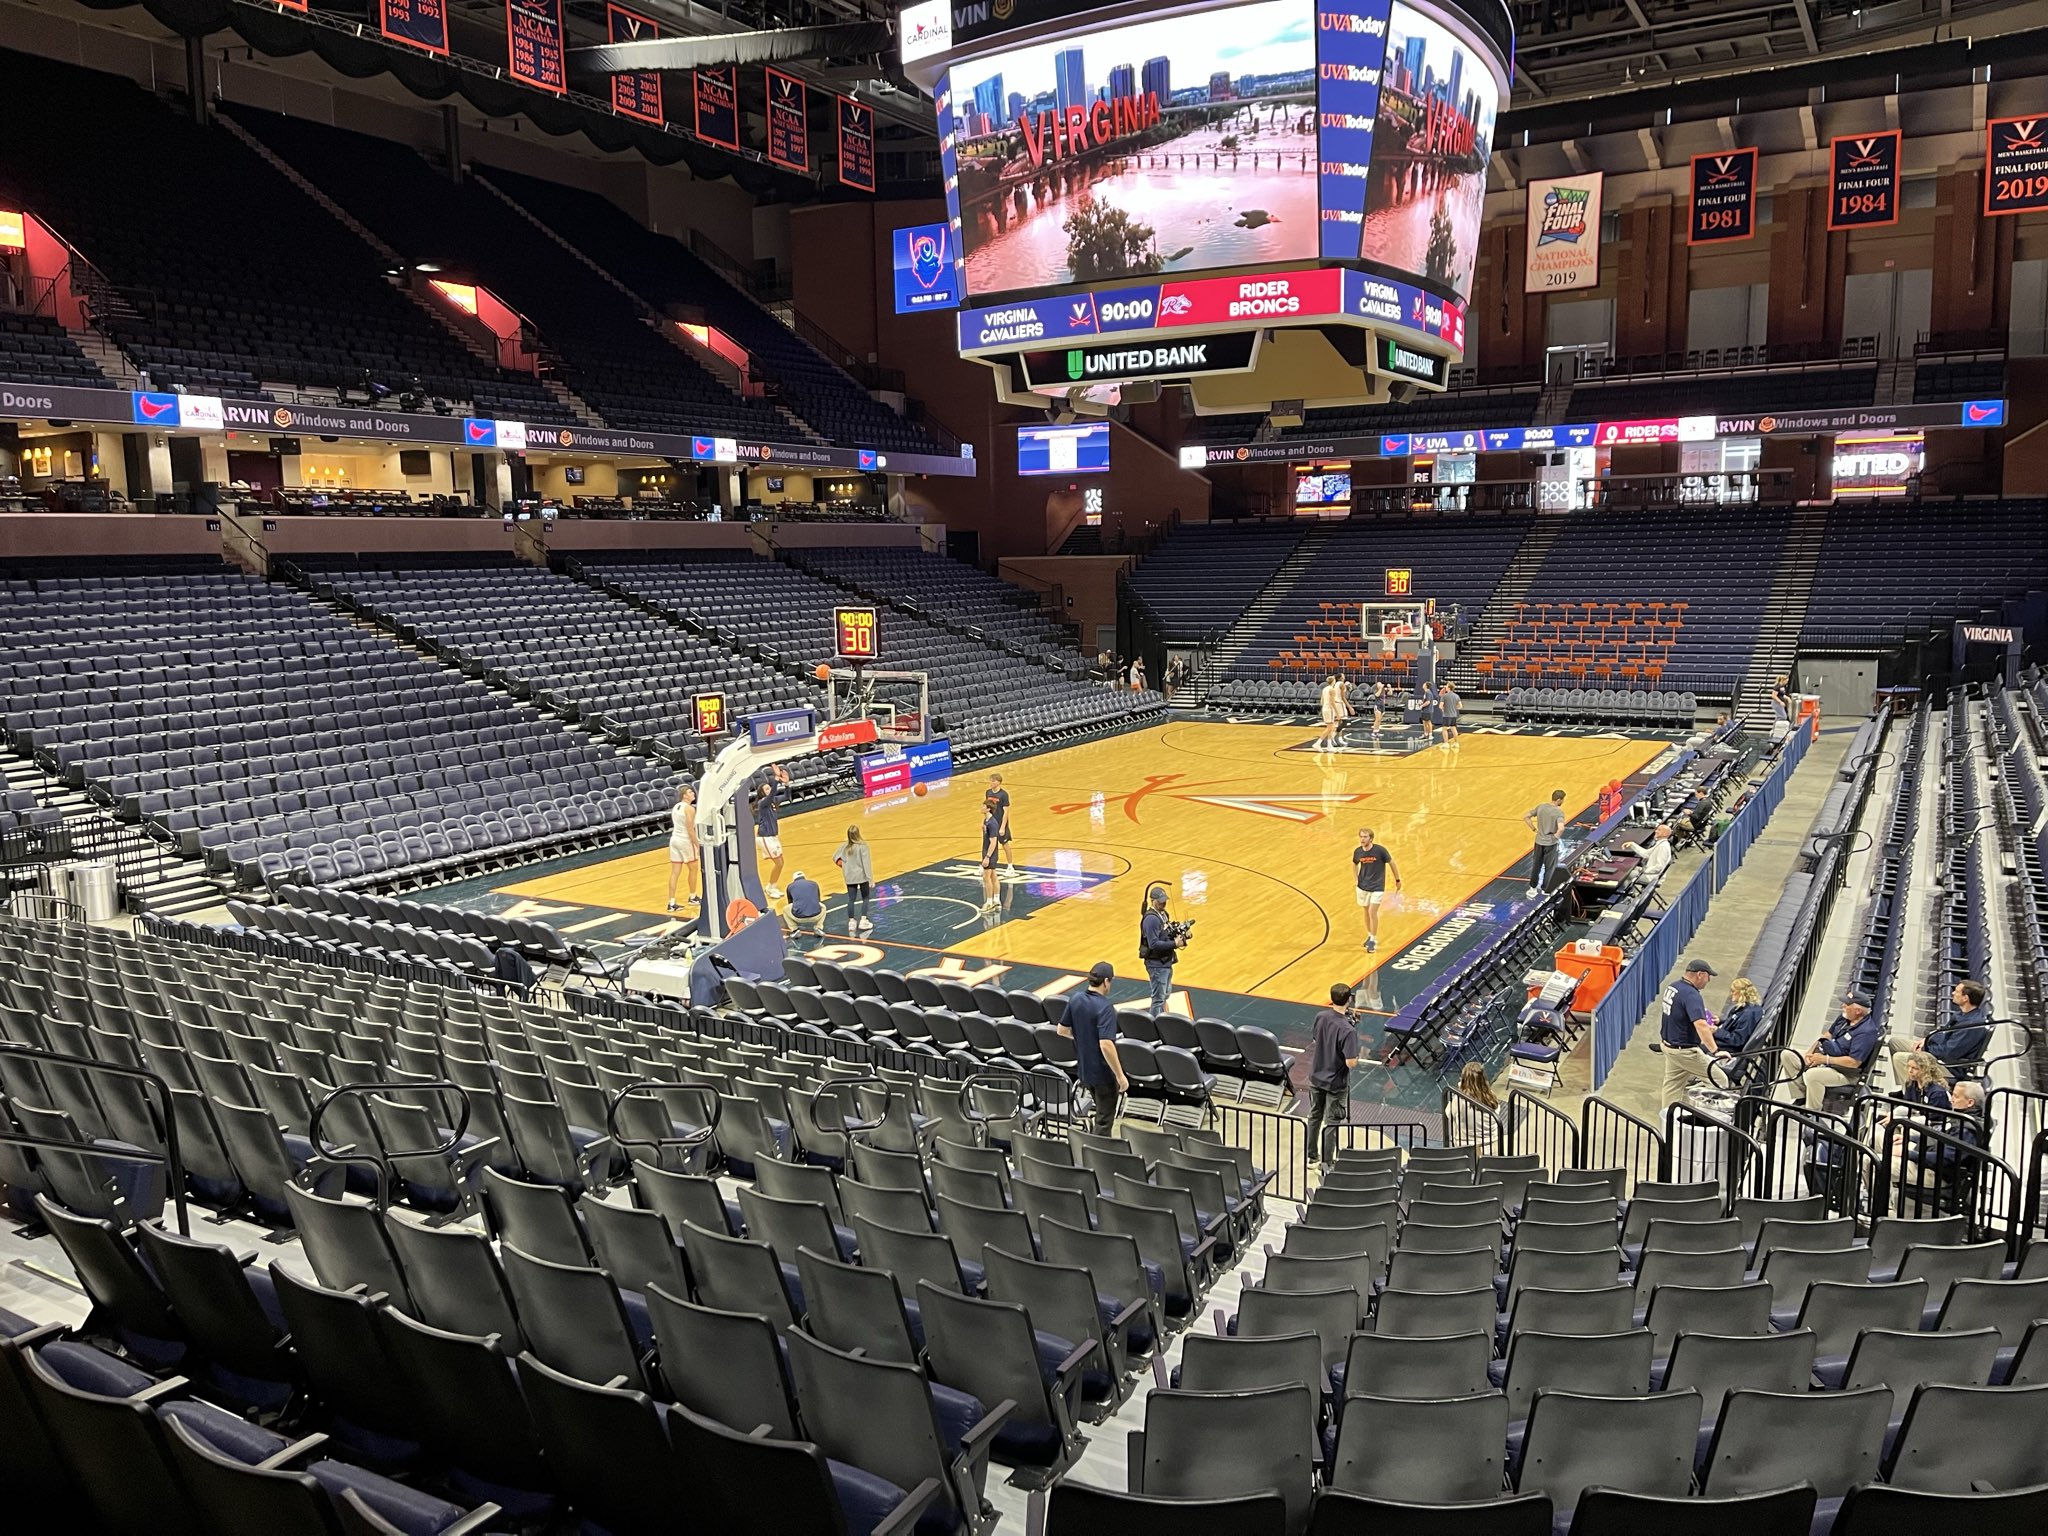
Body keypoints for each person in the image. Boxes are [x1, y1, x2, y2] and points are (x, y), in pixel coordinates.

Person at [1778, 994, 1881, 1110]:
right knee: (1788, 1055)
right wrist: (1810, 1052)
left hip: (1846, 1072)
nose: (1843, 1006)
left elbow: (1854, 1062)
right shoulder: (1844, 1018)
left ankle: (1812, 1111)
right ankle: (1802, 1096)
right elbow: (1828, 1035)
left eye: (1847, 1005)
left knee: (1813, 1075)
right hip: (1827, 1057)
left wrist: (1824, 1060)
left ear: (1858, 1010)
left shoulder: (1866, 1032)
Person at [1058, 961, 1128, 1130]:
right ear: (1106, 982)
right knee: (1103, 1122)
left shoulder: (1076, 999)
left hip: (1084, 1071)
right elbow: (1106, 1044)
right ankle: (1097, 1154)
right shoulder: (1105, 1008)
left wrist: (1083, 1036)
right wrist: (1120, 1076)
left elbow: (1061, 1030)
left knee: (1100, 1114)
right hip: (1103, 1075)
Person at [1303, 983, 1361, 1171]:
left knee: (1315, 1116)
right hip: (1335, 1082)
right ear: (1349, 999)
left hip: (1317, 1076)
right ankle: (1327, 1163)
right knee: (1332, 1122)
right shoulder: (1348, 1030)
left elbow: (1315, 1039)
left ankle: (1311, 1157)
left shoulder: (1321, 1017)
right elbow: (1350, 1062)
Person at [1890, 979, 1993, 1070]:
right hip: (1937, 1051)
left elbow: (1948, 1054)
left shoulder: (1971, 1026)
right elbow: (1943, 1033)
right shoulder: (1963, 1014)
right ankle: (1911, 1087)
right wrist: (1926, 1041)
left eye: (1956, 991)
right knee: (1895, 1043)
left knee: (1899, 1058)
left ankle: (1911, 1092)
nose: (1953, 993)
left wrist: (1924, 1049)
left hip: (1948, 1066)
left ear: (1965, 998)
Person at [1658, 958, 1721, 1108]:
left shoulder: (1673, 987)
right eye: (1708, 976)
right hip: (1685, 1051)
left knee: (1672, 1087)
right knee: (1720, 1081)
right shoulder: (1692, 995)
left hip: (1669, 1046)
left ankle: (1668, 1121)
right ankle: (1707, 1119)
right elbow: (1700, 1024)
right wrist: (1715, 1050)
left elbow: (1679, 1017)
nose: (1709, 980)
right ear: (1700, 974)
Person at [1351, 827, 1402, 953]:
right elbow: (1354, 863)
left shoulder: (1380, 851)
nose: (1362, 839)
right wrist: (1356, 879)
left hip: (1377, 886)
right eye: (1361, 836)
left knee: (1372, 911)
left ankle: (1373, 940)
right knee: (1366, 910)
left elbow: (1392, 863)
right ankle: (1369, 935)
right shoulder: (1358, 852)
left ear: (1371, 838)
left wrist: (1397, 880)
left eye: (1365, 837)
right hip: (1363, 886)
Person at [1138, 885, 1185, 1015]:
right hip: (1156, 964)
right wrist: (1174, 944)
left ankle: (1161, 1020)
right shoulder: (1151, 919)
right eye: (1160, 901)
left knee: (1165, 994)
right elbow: (1153, 944)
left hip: (1165, 961)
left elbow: (1166, 934)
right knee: (1158, 998)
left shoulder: (1163, 914)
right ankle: (1155, 1025)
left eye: (1164, 900)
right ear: (1153, 900)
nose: (1163, 903)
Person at [752, 764, 790, 899]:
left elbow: (787, 796)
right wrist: (776, 779)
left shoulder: (773, 800)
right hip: (765, 837)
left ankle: (771, 886)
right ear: (762, 793)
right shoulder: (763, 802)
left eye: (769, 787)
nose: (769, 790)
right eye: (767, 788)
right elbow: (774, 792)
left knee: (781, 863)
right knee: (778, 863)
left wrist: (787, 784)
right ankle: (770, 887)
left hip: (772, 836)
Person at [1446, 1061, 1502, 1150]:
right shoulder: (1491, 1096)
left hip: (1467, 1145)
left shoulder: (1460, 1099)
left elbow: (1449, 1113)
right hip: (1492, 1144)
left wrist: (1460, 1089)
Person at [1524, 789, 1567, 898]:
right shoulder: (1558, 812)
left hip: (1539, 841)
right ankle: (1545, 889)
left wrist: (1534, 829)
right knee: (1549, 867)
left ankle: (1532, 887)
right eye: (1562, 800)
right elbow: (1561, 828)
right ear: (1558, 800)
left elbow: (1526, 817)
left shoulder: (1541, 807)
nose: (1563, 802)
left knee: (1536, 865)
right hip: (1550, 843)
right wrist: (1555, 838)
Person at [833, 825, 874, 934]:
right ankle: (863, 920)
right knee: (865, 897)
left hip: (849, 877)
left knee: (851, 899)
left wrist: (844, 866)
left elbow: (835, 857)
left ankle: (851, 922)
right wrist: (870, 879)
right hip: (862, 876)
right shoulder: (863, 846)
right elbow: (866, 863)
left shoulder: (844, 846)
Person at [665, 782, 699, 912]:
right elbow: (690, 830)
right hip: (685, 840)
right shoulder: (689, 809)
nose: (693, 794)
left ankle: (671, 902)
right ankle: (693, 896)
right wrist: (697, 844)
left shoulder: (676, 807)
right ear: (684, 796)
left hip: (674, 840)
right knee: (693, 869)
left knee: (675, 873)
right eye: (690, 792)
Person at [1619, 824, 1674, 892]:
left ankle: (1625, 895)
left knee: (1626, 875)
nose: (1656, 831)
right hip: (1650, 872)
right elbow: (1646, 854)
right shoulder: (1660, 844)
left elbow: (1659, 867)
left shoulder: (1663, 847)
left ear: (1665, 833)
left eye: (1659, 830)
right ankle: (1629, 892)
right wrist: (1632, 844)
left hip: (1651, 877)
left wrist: (1644, 871)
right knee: (1628, 868)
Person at [984, 772, 1014, 872]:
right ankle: (987, 865)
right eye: (990, 780)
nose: (991, 782)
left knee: (1005, 845)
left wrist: (1002, 827)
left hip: (1000, 823)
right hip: (991, 823)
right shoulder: (988, 792)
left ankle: (1010, 866)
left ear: (999, 782)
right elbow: (986, 809)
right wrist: (985, 822)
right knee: (989, 844)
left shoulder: (1004, 795)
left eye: (993, 781)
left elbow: (1006, 812)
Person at [783, 870, 824, 937]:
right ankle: (818, 927)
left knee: (785, 909)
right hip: (816, 915)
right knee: (823, 906)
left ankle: (795, 929)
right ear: (804, 877)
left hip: (798, 917)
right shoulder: (814, 883)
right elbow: (818, 900)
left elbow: (790, 902)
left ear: (794, 879)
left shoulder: (790, 886)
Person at [979, 798, 1003, 910]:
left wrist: (987, 857)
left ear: (988, 809)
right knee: (993, 876)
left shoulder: (992, 823)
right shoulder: (986, 821)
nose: (981, 807)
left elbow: (994, 841)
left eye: (983, 806)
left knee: (986, 877)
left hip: (990, 853)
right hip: (988, 851)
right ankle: (997, 900)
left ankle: (989, 902)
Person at [1316, 672, 1350, 751]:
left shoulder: (1325, 688)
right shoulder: (1336, 687)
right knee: (1333, 726)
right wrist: (1338, 712)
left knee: (1332, 726)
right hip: (1333, 707)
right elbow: (1338, 699)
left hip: (1325, 707)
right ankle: (1319, 743)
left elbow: (1321, 701)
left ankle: (1329, 745)